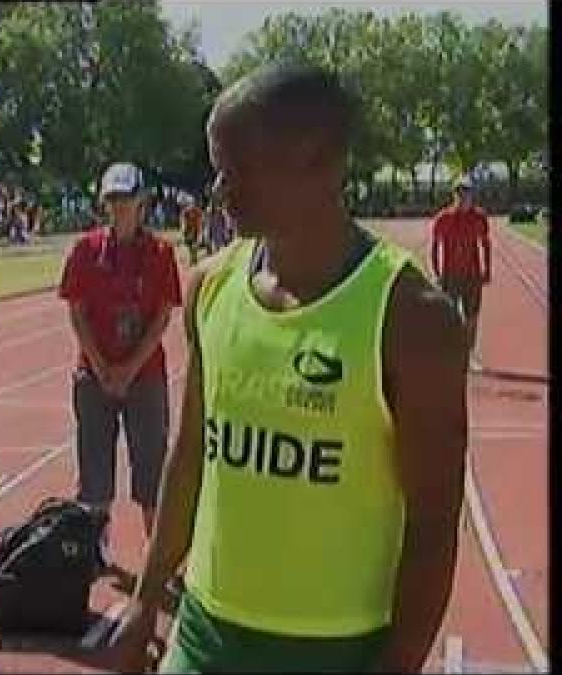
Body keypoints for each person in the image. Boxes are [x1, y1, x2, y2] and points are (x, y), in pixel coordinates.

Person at [111, 63, 468, 672]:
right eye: (218, 168)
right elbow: (191, 453)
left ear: (321, 166)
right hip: (205, 636)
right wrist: (146, 600)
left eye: (241, 169)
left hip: (340, 649)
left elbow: (434, 524)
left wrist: (399, 663)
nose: (221, 188)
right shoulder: (211, 287)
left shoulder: (412, 318)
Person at [58, 161, 183, 542]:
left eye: (126, 199)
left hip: (144, 376)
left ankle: (157, 557)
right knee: (94, 473)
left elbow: (162, 316)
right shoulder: (85, 250)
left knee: (152, 469)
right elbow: (77, 313)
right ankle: (94, 553)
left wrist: (128, 369)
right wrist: (100, 365)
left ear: (142, 202)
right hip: (94, 376)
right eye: (112, 200)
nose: (119, 207)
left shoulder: (161, 253)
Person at [430, 177, 491, 371]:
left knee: (472, 317)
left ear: (472, 195)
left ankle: (469, 354)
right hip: (450, 276)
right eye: (459, 193)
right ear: (454, 195)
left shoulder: (480, 217)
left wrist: (487, 269)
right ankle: (448, 353)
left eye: (467, 192)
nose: (463, 197)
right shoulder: (443, 218)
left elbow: (485, 244)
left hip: (472, 276)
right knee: (449, 316)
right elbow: (435, 247)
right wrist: (437, 272)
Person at [179, 198, 204, 264]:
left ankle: (194, 258)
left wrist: (199, 228)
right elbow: (183, 222)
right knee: (190, 245)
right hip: (188, 229)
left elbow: (200, 219)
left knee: (194, 244)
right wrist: (184, 230)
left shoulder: (197, 211)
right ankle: (193, 258)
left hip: (194, 229)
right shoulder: (185, 212)